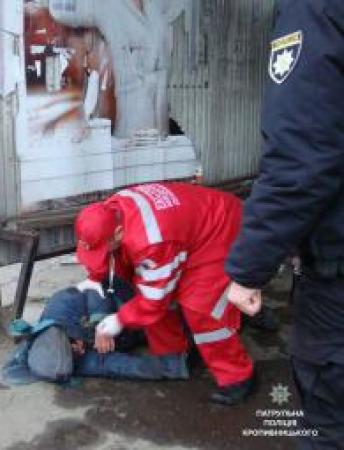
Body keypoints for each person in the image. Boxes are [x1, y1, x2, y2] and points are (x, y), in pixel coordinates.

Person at [225, 1, 344, 446]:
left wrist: (247, 270)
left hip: (336, 281)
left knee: (327, 425)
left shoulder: (314, 9)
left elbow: (301, 162)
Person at [75, 182, 255, 405]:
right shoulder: (112, 210)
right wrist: (94, 277)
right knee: (152, 294)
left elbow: (154, 300)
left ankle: (237, 377)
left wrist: (120, 319)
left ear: (119, 232)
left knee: (202, 310)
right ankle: (174, 357)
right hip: (190, 227)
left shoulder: (152, 240)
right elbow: (112, 256)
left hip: (220, 230)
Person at [1, 277, 189, 385]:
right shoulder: (67, 360)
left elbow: (97, 288)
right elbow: (113, 365)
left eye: (76, 349)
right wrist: (164, 369)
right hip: (130, 334)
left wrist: (101, 322)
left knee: (162, 309)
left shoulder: (63, 303)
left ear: (67, 336)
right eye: (77, 357)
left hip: (123, 300)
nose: (83, 352)